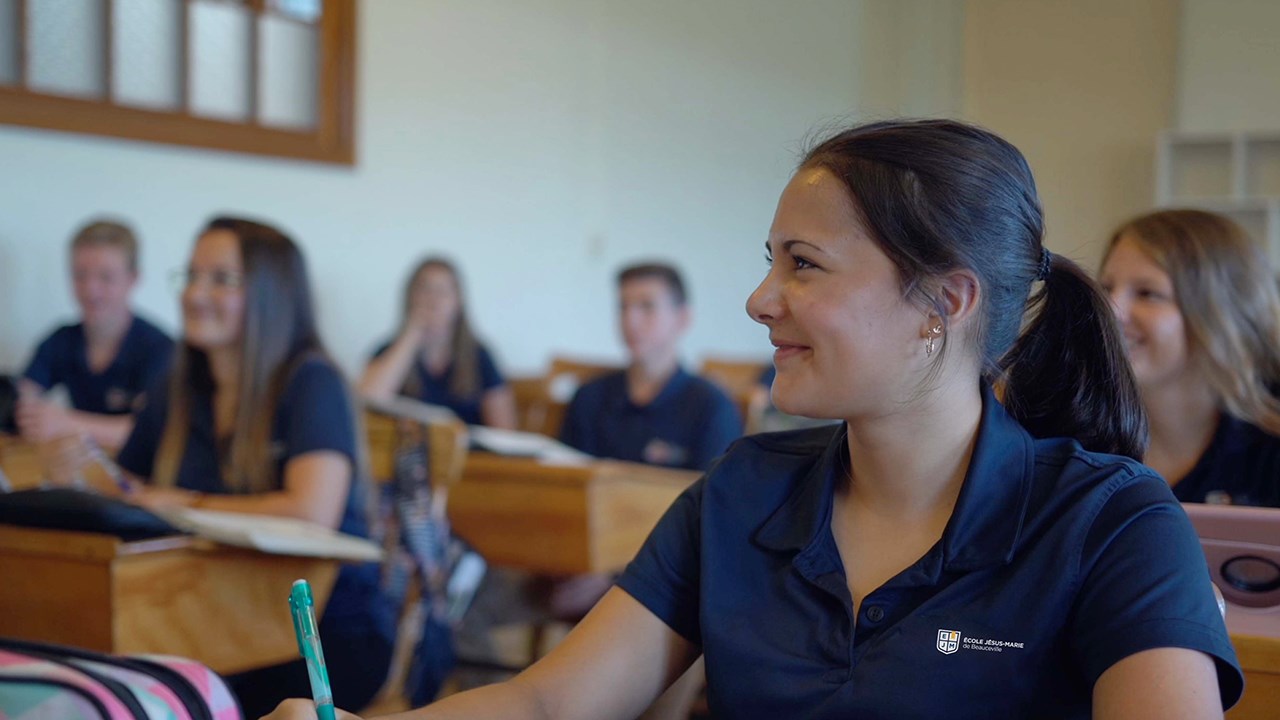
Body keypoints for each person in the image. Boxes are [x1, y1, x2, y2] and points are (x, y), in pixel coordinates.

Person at [264, 120, 1242, 720]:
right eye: (770, 261)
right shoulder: (742, 491)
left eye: (802, 265)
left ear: (943, 303)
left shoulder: (1114, 522)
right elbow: (550, 699)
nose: (760, 300)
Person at [110, 217, 394, 717]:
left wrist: (185, 504)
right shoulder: (177, 384)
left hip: (319, 631)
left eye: (221, 279)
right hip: (214, 612)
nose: (194, 294)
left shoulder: (312, 381)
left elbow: (313, 511)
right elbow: (128, 487)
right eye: (192, 275)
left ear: (271, 295)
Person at [1098, 209, 1280, 507]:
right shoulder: (1072, 432)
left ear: (1220, 314)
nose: (1109, 310)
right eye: (1106, 288)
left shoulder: (1269, 445)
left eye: (1147, 293)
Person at [559, 263, 743, 471]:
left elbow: (716, 488)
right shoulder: (589, 397)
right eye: (623, 307)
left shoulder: (711, 406)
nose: (630, 320)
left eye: (647, 306)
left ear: (682, 318)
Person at [17, 219, 173, 449]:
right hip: (82, 464)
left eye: (106, 277)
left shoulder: (160, 349)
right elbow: (22, 396)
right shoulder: (62, 340)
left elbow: (155, 431)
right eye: (80, 275)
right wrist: (24, 409)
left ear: (133, 279)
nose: (91, 290)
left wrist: (67, 423)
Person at [360, 257, 516, 428]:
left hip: (467, 445)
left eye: (443, 291)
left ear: (458, 301)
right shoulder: (388, 351)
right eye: (425, 290)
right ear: (410, 297)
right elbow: (368, 402)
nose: (433, 300)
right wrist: (412, 334)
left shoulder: (479, 356)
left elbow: (504, 429)